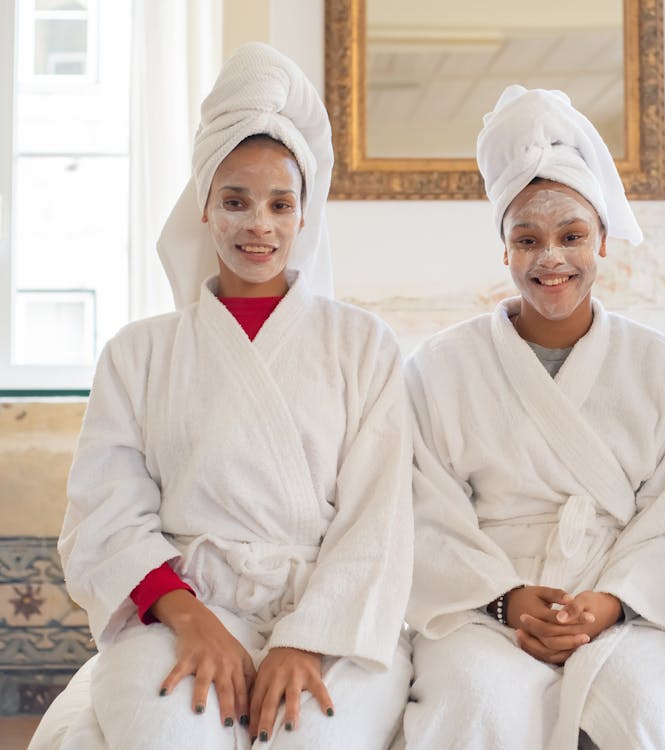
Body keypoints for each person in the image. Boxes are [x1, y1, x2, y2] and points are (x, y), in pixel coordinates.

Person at [29, 43, 412, 750]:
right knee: (163, 735)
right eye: (234, 201)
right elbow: (104, 512)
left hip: (330, 615)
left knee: (306, 740)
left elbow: (379, 520)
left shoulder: (366, 346)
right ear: (204, 209)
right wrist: (188, 617)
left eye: (278, 203)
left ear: (304, 217)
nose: (257, 225)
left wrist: (304, 643)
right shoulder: (137, 353)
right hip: (185, 608)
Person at [402, 85, 665, 749]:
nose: (551, 258)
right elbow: (426, 514)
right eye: (527, 239)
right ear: (504, 250)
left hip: (623, 606)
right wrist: (509, 598)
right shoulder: (437, 368)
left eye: (571, 236)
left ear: (602, 243)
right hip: (485, 606)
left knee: (645, 706)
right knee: (476, 697)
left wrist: (609, 603)